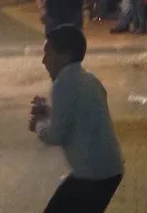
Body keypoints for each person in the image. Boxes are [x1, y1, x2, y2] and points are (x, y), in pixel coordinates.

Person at [29, 25, 124, 213]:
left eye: (48, 53)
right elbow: (79, 114)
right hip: (108, 168)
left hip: (93, 174)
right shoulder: (88, 79)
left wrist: (38, 125)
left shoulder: (63, 83)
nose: (43, 61)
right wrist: (48, 112)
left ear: (64, 55)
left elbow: (56, 135)